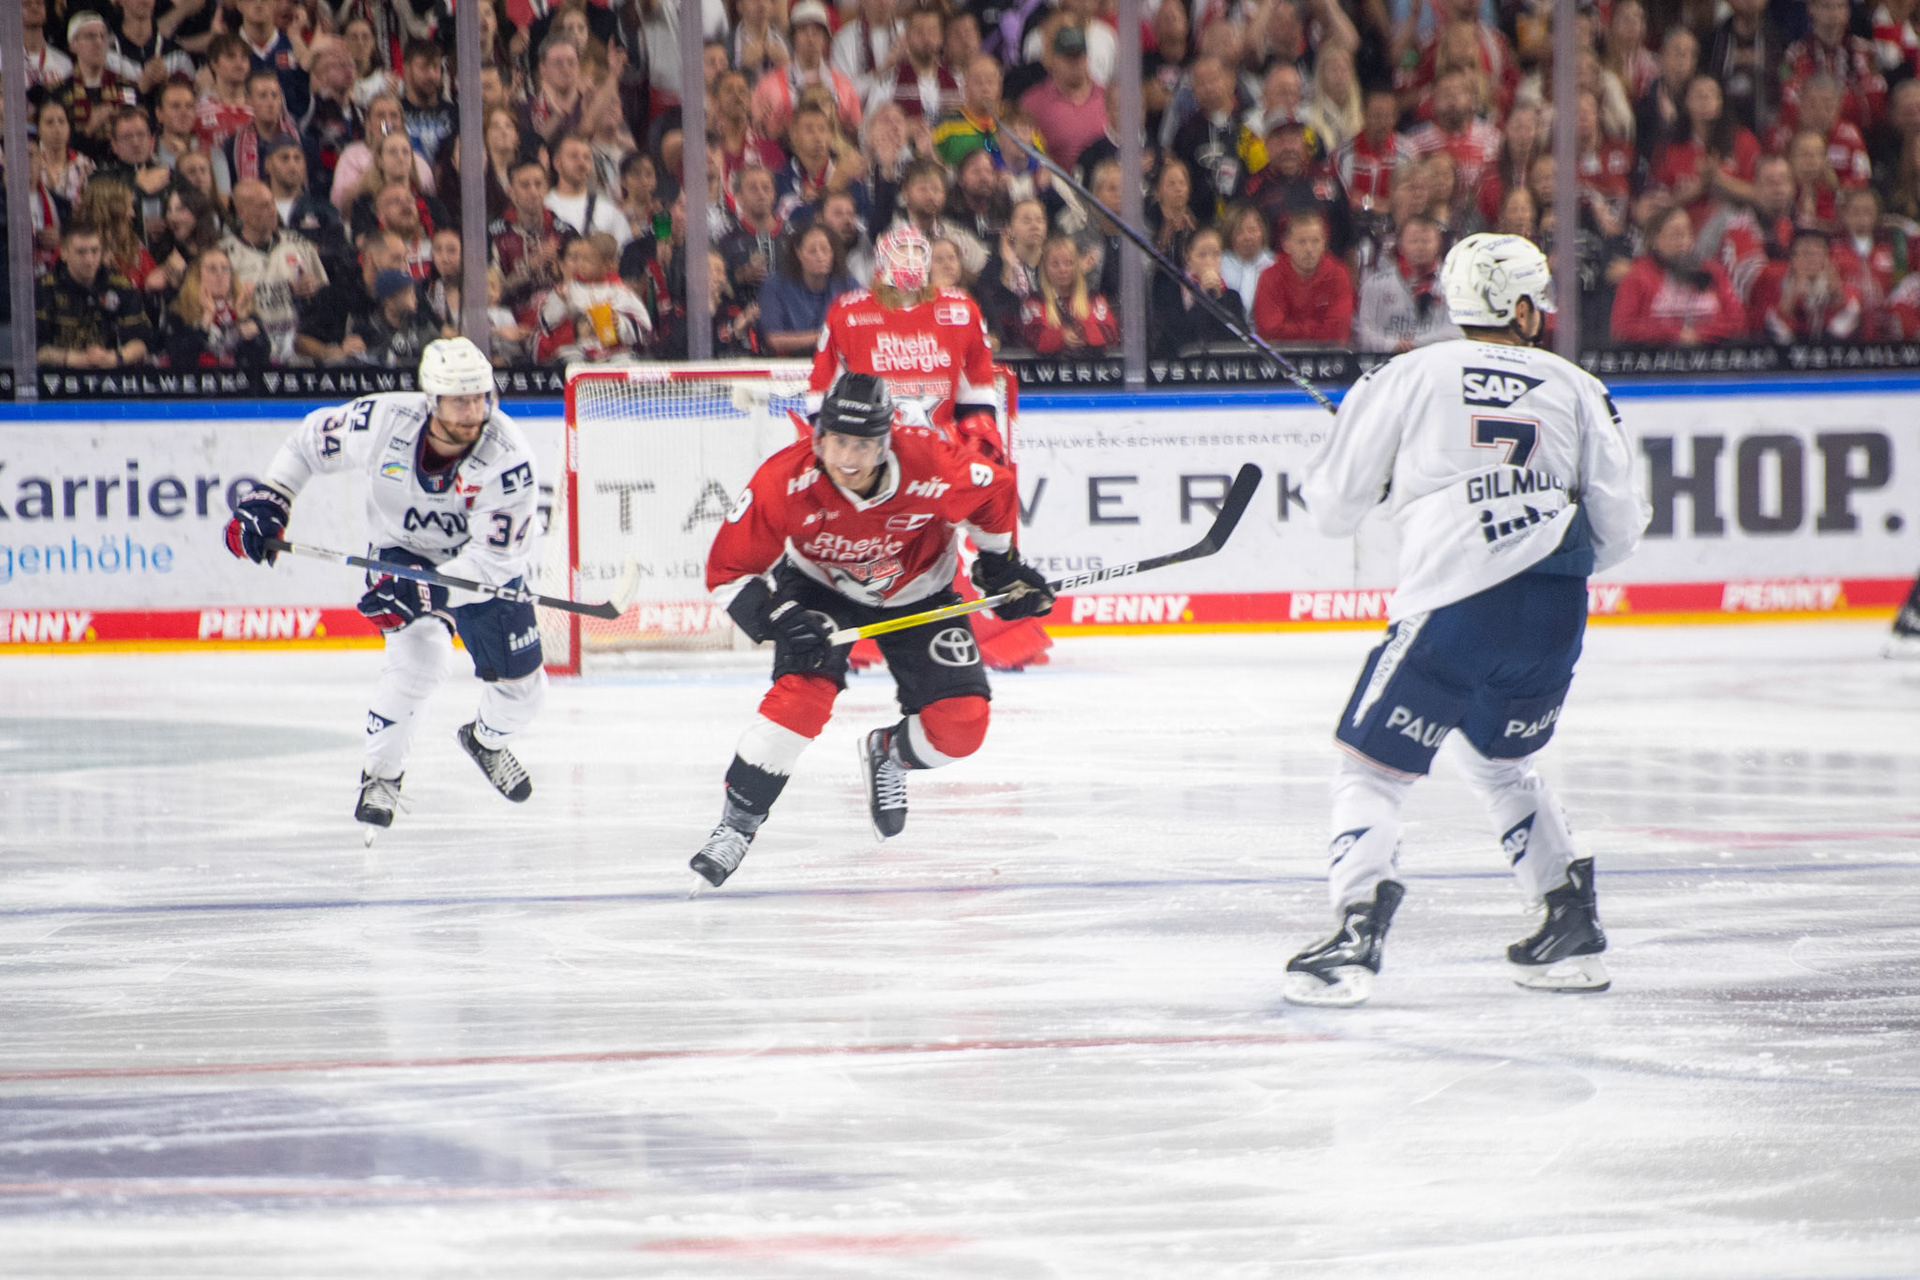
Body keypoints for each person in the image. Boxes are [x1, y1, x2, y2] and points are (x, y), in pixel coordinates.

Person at [1282, 233, 1650, 1008]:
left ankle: (1355, 931)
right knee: (1499, 763)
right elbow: (1620, 529)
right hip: (1555, 607)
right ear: (1517, 307)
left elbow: (1333, 507)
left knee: (1371, 769)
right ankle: (1567, 923)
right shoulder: (1578, 385)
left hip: (1453, 602)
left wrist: (1386, 484)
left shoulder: (1410, 373)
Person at [687, 373, 1053, 889]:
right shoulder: (782, 480)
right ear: (818, 440)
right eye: (838, 441)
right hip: (819, 592)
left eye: (863, 444)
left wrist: (1001, 565)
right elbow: (727, 572)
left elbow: (996, 489)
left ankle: (889, 753)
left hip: (921, 590)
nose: (849, 459)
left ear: (886, 442)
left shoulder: (933, 463)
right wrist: (777, 617)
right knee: (798, 702)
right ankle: (735, 828)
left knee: (962, 726)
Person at [223, 339, 547, 838]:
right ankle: (381, 777)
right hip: (403, 553)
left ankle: (485, 740)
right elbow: (309, 441)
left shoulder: (510, 461)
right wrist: (272, 499)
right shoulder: (384, 422)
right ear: (431, 400)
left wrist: (432, 593)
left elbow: (491, 562)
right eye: (459, 401)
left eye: (480, 398)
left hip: (480, 570)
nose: (472, 412)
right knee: (421, 661)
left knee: (524, 691)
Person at [35, 221, 156, 369]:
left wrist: (114, 358)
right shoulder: (43, 287)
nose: (89, 260)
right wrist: (73, 359)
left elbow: (143, 341)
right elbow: (33, 348)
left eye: (95, 251)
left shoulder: (120, 285)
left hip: (109, 372)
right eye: (81, 252)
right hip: (57, 375)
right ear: (64, 252)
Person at [1354, 214, 1461, 352]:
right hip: (1385, 363)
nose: (1420, 247)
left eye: (1426, 241)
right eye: (1413, 240)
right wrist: (1392, 345)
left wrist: (1415, 344)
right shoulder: (1375, 285)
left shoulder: (1453, 285)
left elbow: (1458, 331)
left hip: (1434, 362)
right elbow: (1363, 332)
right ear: (1400, 244)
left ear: (1438, 244)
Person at [1252, 212, 1354, 344]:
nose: (1309, 249)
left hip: (1328, 357)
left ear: (1324, 244)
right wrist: (1317, 329)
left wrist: (1291, 329)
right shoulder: (1270, 277)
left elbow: (1338, 332)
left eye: (1315, 241)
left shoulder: (1338, 275)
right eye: (1302, 242)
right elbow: (1269, 330)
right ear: (1286, 245)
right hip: (1280, 358)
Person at [165, 247, 271, 369]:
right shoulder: (179, 311)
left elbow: (261, 360)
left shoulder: (244, 307)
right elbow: (179, 360)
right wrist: (206, 319)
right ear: (197, 276)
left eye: (225, 269)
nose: (220, 274)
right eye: (212, 269)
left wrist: (243, 318)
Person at [1020, 233, 1119, 353]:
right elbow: (1034, 337)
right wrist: (1061, 337)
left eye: (1069, 263)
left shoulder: (1094, 300)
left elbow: (1109, 333)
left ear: (1077, 265)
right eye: (1055, 264)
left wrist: (1084, 332)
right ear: (1044, 267)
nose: (1062, 269)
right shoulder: (1034, 302)